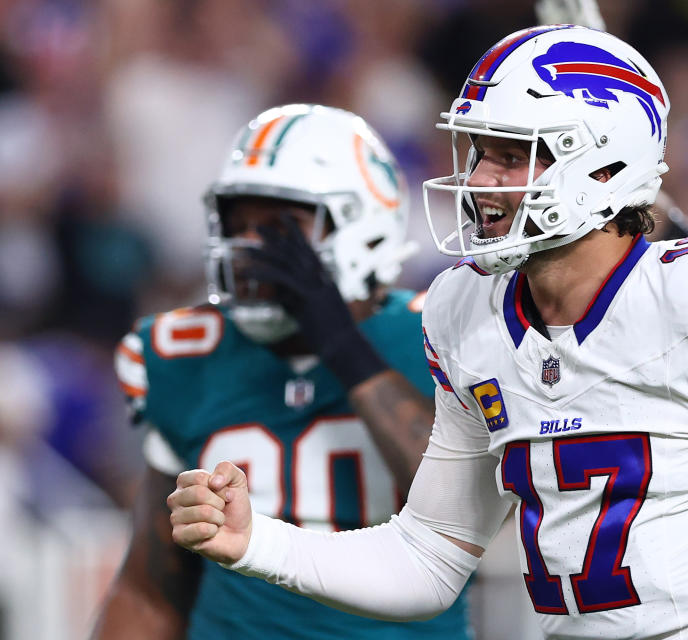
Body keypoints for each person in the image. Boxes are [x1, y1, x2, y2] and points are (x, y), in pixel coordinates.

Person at [167, 27, 688, 639]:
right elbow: (429, 556)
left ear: (603, 169)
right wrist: (256, 542)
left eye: (515, 155)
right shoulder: (466, 311)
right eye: (479, 152)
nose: (481, 180)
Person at [93, 104, 472, 639]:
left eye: (279, 226)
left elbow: (456, 503)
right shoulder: (184, 350)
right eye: (237, 222)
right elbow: (151, 586)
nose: (250, 247)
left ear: (362, 226)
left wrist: (338, 340)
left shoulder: (438, 331)